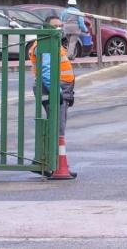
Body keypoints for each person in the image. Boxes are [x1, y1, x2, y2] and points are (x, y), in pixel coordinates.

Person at [28, 16, 75, 157]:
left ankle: (51, 162)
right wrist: (57, 91)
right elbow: (47, 71)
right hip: (54, 89)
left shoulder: (53, 42)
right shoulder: (45, 44)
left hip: (60, 88)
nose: (59, 28)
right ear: (46, 28)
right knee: (56, 127)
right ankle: (49, 162)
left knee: (55, 126)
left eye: (61, 25)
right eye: (55, 26)